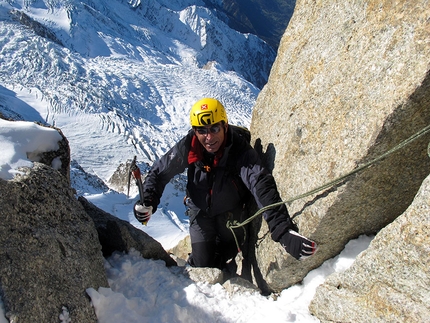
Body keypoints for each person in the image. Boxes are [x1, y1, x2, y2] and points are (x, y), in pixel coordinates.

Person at [134, 98, 317, 270]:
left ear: (225, 126)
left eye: (214, 129)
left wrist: (282, 231)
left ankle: (224, 264)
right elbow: (160, 172)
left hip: (231, 213)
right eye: (202, 130)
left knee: (228, 249)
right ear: (195, 131)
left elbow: (260, 183)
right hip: (200, 211)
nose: (208, 137)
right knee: (202, 264)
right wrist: (148, 200)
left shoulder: (239, 149)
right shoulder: (189, 145)